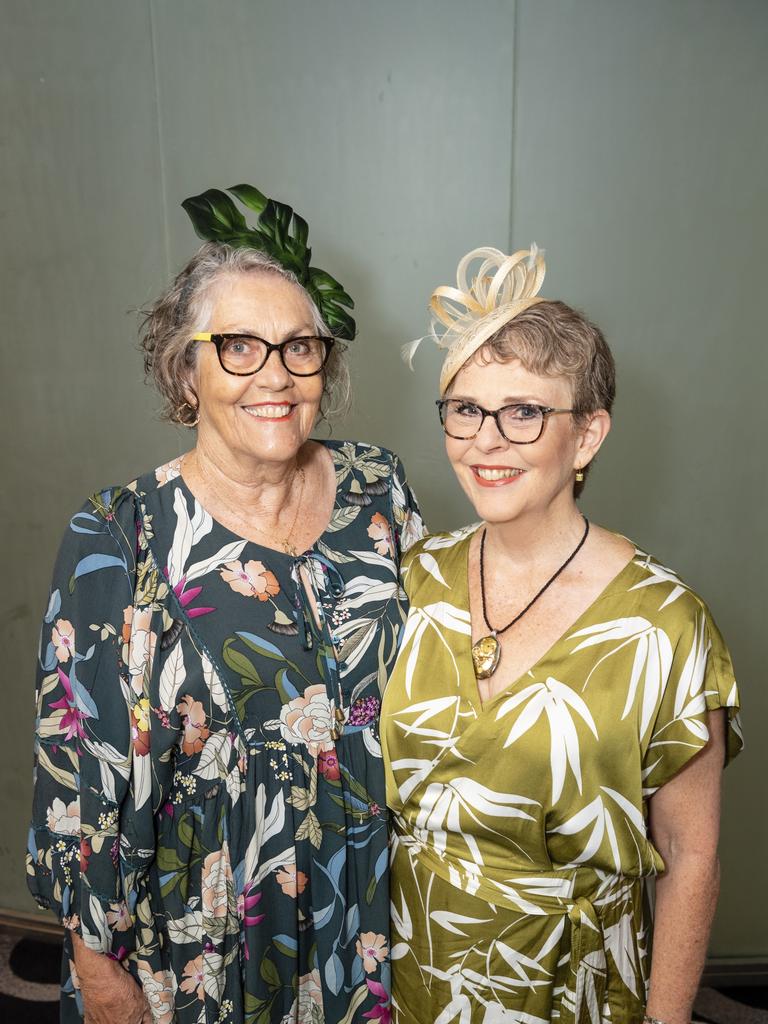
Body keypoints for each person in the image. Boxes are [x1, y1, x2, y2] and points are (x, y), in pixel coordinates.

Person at [28, 185, 424, 1023]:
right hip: (206, 927)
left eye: (299, 348)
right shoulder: (119, 534)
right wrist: (98, 971)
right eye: (239, 346)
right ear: (187, 369)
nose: (275, 375)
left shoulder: (379, 490)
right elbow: (79, 779)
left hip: (371, 907)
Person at [382, 246, 742, 1024]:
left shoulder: (665, 625)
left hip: (569, 986)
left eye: (523, 412)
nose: (486, 440)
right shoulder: (412, 579)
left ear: (586, 437)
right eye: (466, 409)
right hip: (413, 968)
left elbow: (693, 857)